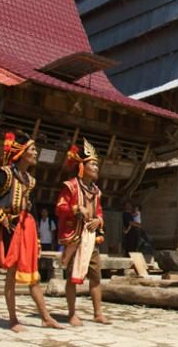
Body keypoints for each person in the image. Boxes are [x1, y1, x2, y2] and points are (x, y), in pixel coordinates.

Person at [0, 131, 62, 332]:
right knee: (12, 274)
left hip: (27, 229)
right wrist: (1, 218)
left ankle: (45, 317)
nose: (36, 152)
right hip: (12, 228)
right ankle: (13, 319)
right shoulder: (5, 174)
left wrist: (38, 239)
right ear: (23, 153)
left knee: (33, 275)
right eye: (33, 149)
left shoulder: (29, 180)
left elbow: (30, 208)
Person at [56, 138, 109, 326]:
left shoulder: (96, 191)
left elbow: (100, 211)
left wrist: (99, 219)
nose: (96, 167)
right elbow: (60, 207)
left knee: (96, 277)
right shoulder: (70, 186)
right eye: (93, 164)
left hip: (91, 239)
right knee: (72, 277)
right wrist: (77, 208)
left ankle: (98, 313)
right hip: (75, 238)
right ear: (82, 166)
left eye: (97, 164)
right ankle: (71, 314)